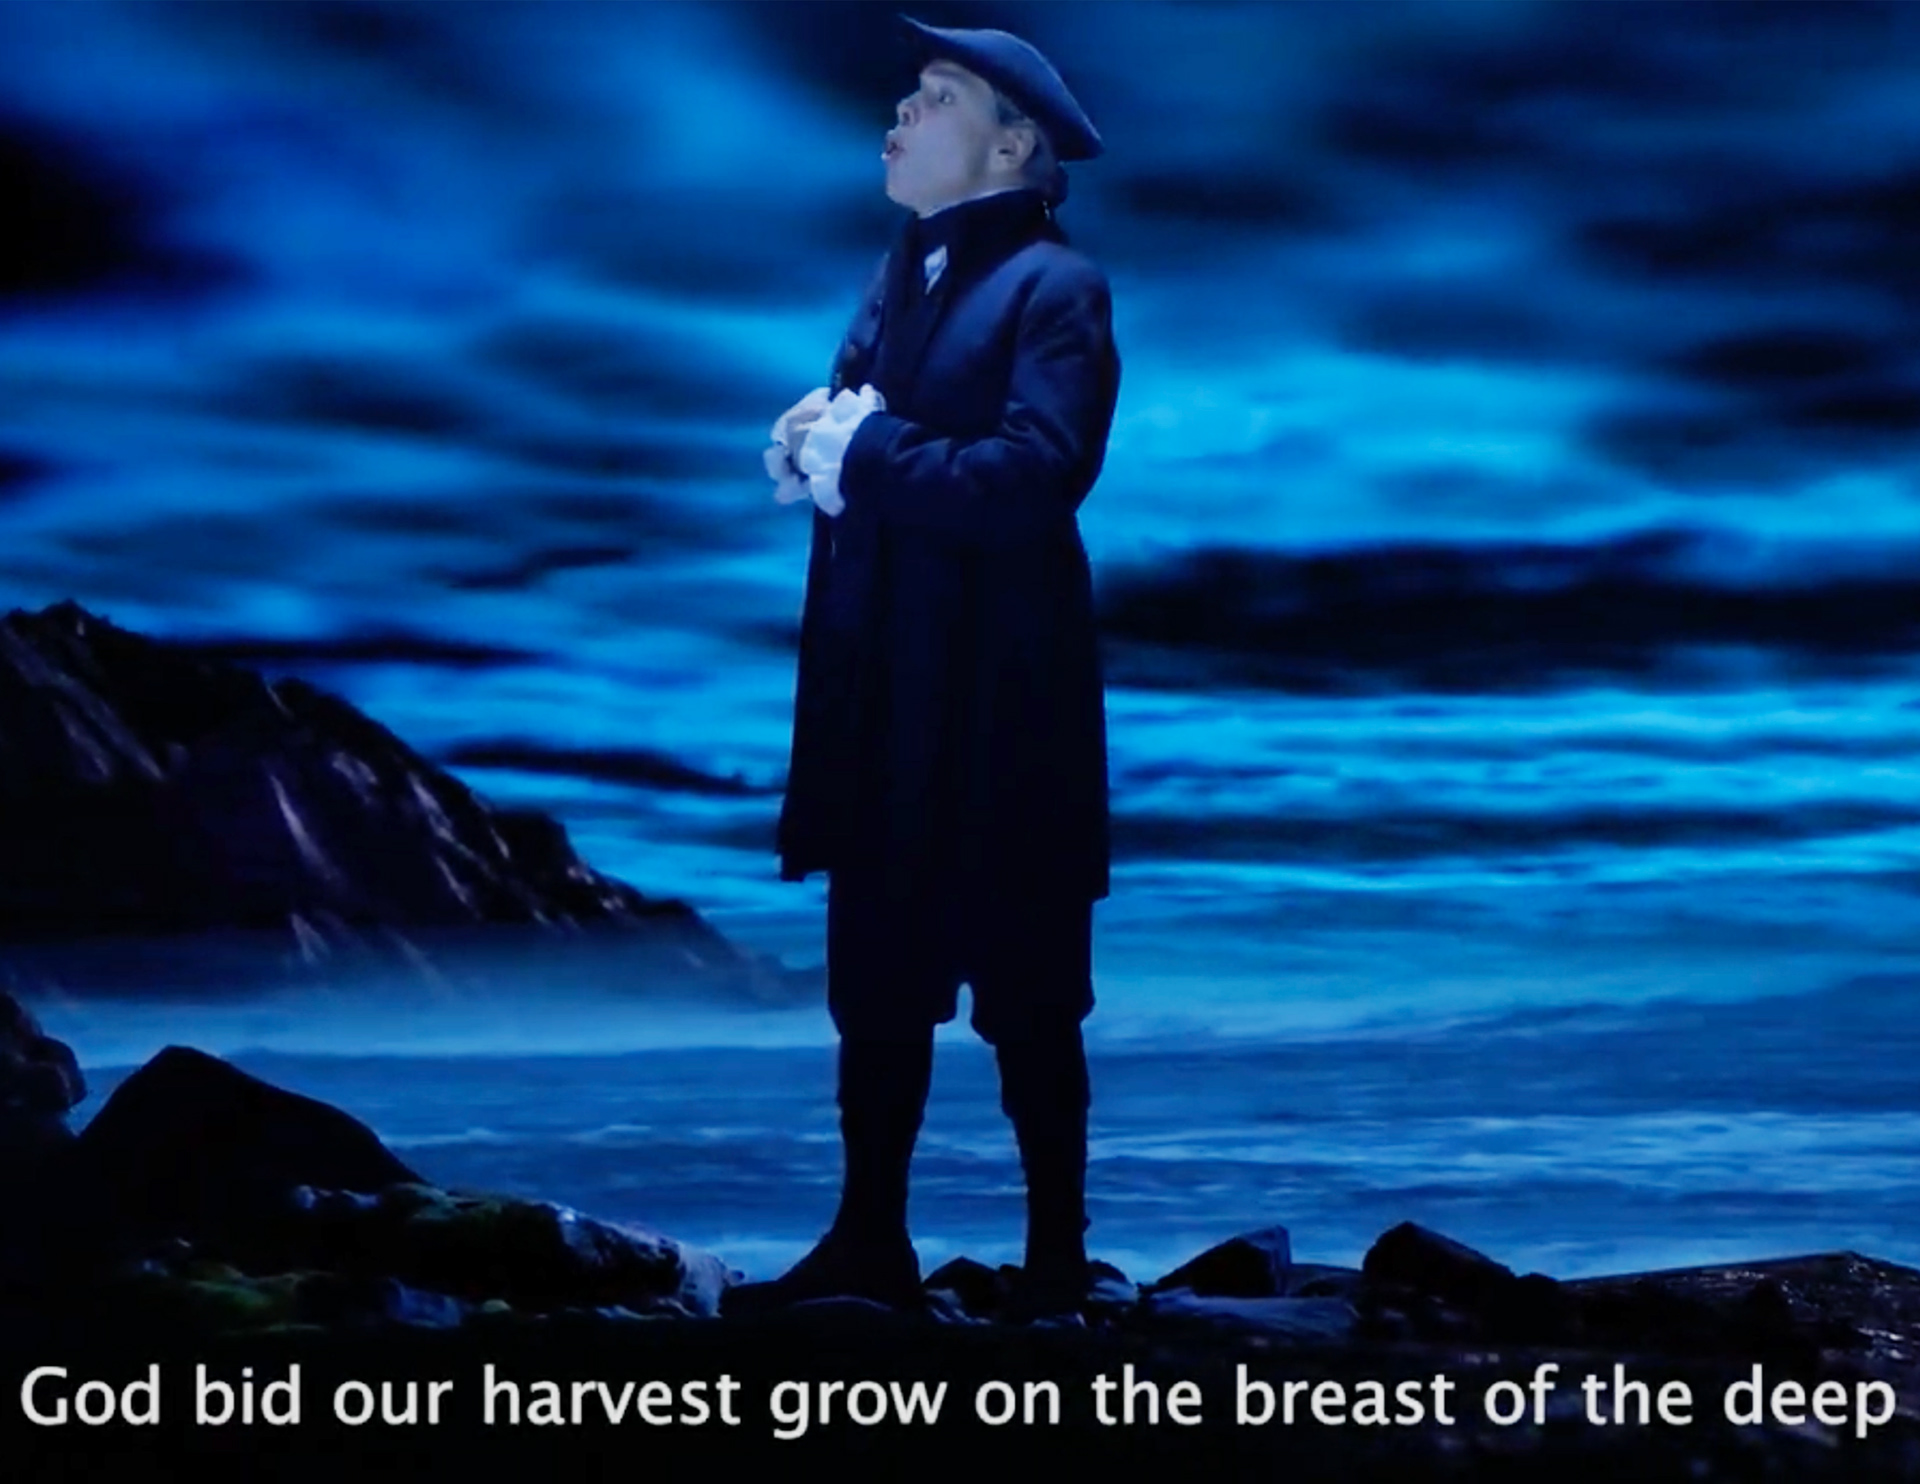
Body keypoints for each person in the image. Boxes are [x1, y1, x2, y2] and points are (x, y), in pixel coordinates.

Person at [728, 14, 1119, 1324]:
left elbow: (1037, 473)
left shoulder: (1056, 287)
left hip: (1000, 697)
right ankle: (869, 1240)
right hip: (883, 684)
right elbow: (862, 423)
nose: (901, 113)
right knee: (878, 978)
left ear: (1012, 145)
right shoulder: (902, 271)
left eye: (938, 96)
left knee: (1028, 986)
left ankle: (1056, 1259)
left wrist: (863, 453)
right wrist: (818, 441)